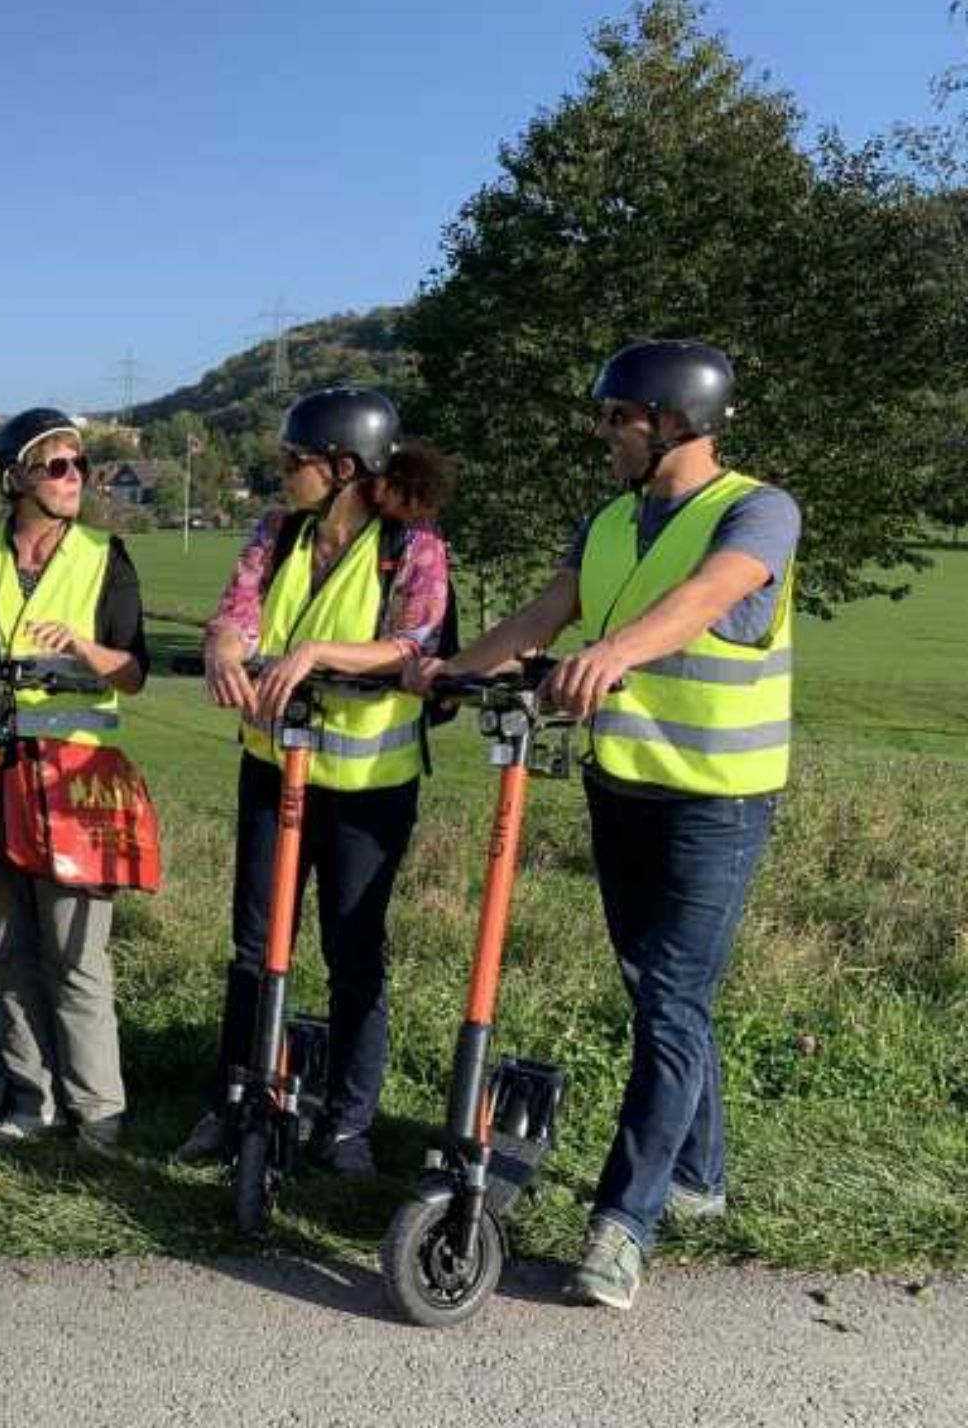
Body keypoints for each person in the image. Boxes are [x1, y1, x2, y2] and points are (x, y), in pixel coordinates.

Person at [413, 340, 796, 1311]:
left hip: (719, 795)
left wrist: (613, 653)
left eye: (614, 416)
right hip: (622, 781)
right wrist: (460, 670)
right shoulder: (611, 520)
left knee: (669, 996)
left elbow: (703, 599)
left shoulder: (755, 509)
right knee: (657, 990)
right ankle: (699, 1175)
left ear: (672, 421)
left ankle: (622, 1226)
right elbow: (546, 613)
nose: (602, 433)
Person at [177, 388, 456, 1177]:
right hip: (273, 767)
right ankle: (236, 1100)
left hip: (369, 781)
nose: (282, 474)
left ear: (344, 468)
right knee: (254, 944)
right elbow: (237, 612)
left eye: (293, 462)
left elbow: (415, 641)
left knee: (353, 949)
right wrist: (225, 647)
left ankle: (347, 1123)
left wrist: (319, 652)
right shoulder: (278, 533)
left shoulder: (412, 546)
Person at [0, 407, 149, 1150]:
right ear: (15, 477)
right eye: (57, 466)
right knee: (9, 942)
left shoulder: (105, 555)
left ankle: (100, 1110)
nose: (74, 477)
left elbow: (134, 670)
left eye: (81, 465)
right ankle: (31, 1096)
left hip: (73, 782)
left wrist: (86, 650)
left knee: (76, 949)